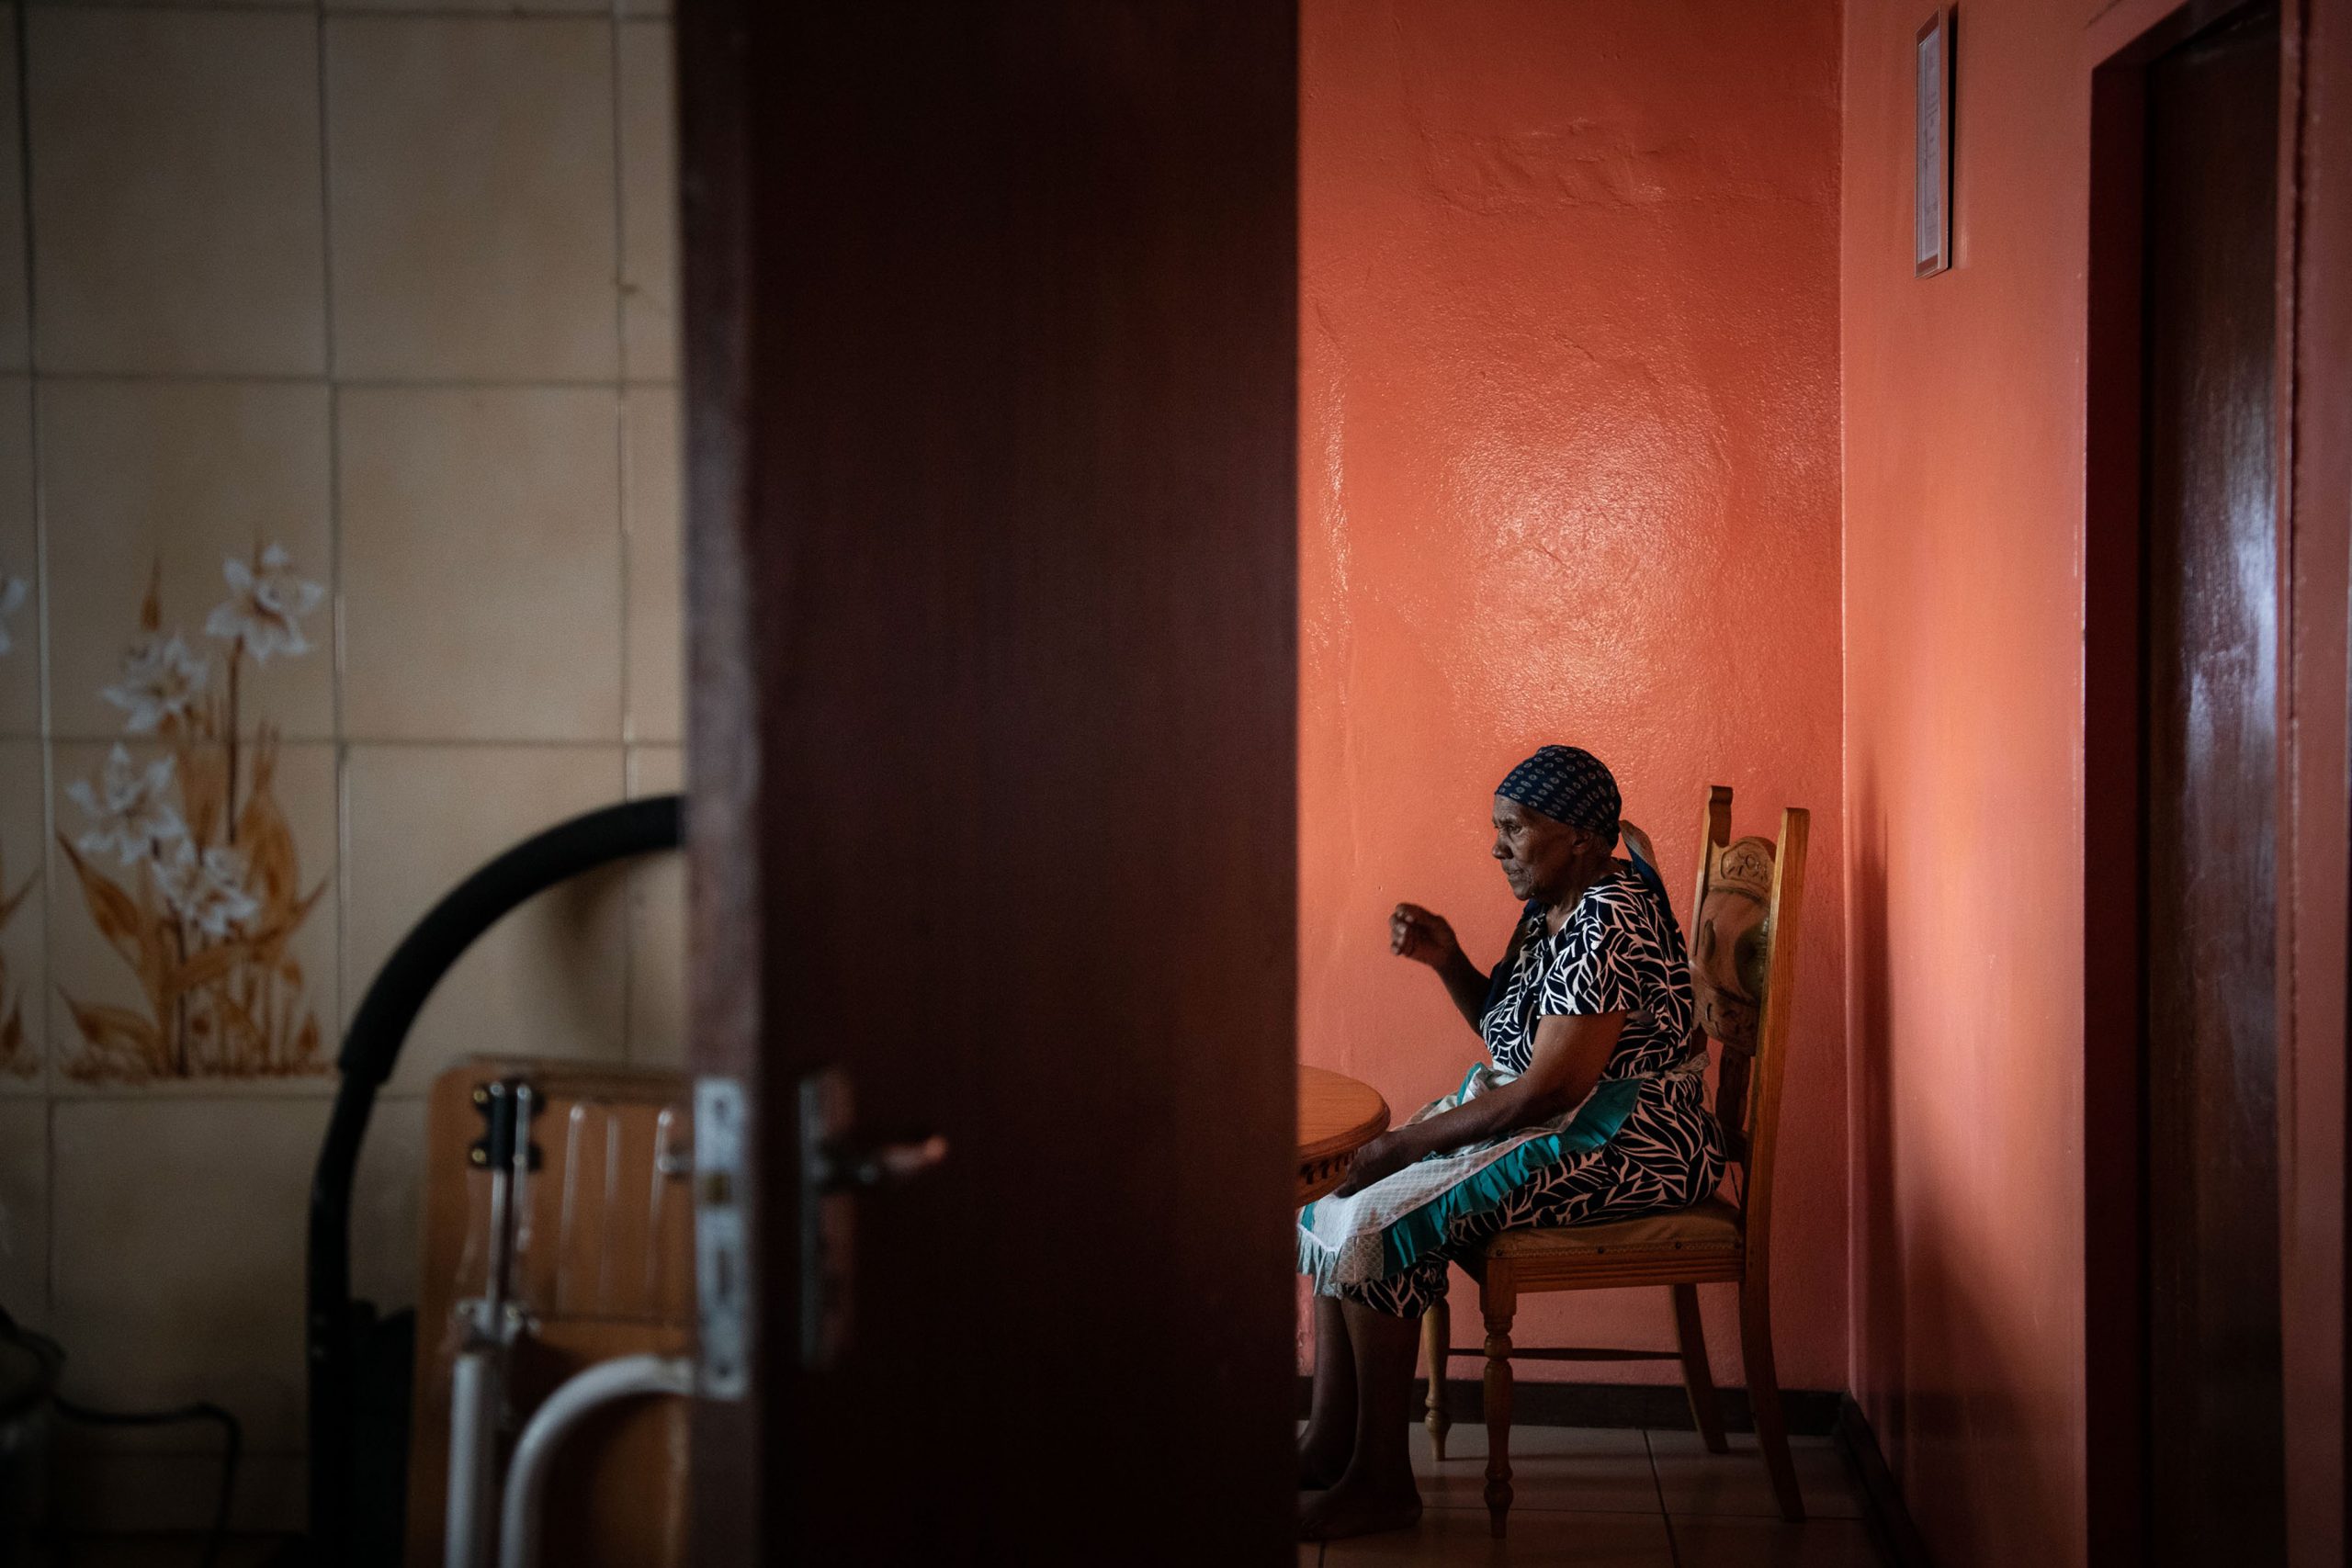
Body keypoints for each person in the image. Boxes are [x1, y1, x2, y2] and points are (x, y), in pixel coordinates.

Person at [1295, 745, 1725, 1540]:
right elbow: (1515, 1037)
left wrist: (1402, 1147)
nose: (1497, 846)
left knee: (1382, 1210)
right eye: (1495, 827)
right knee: (1339, 1188)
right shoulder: (1554, 907)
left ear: (1581, 841)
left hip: (1633, 1135)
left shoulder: (1611, 918)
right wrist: (1449, 957)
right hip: (1566, 1116)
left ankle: (1381, 1483)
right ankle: (1329, 1441)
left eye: (1515, 829)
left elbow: (1550, 1089)